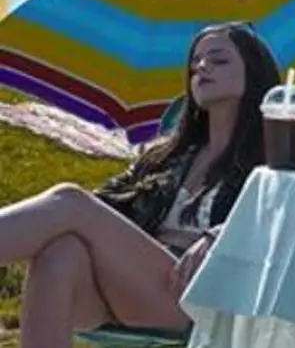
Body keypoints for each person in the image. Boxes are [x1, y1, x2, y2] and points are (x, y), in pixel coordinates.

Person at [0, 22, 279, 346]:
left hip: (198, 297)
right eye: (196, 62)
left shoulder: (273, 156)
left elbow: (287, 220)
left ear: (253, 74)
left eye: (218, 60)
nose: (201, 67)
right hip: (133, 284)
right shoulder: (169, 155)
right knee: (62, 252)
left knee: (69, 200)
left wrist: (220, 235)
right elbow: (105, 205)